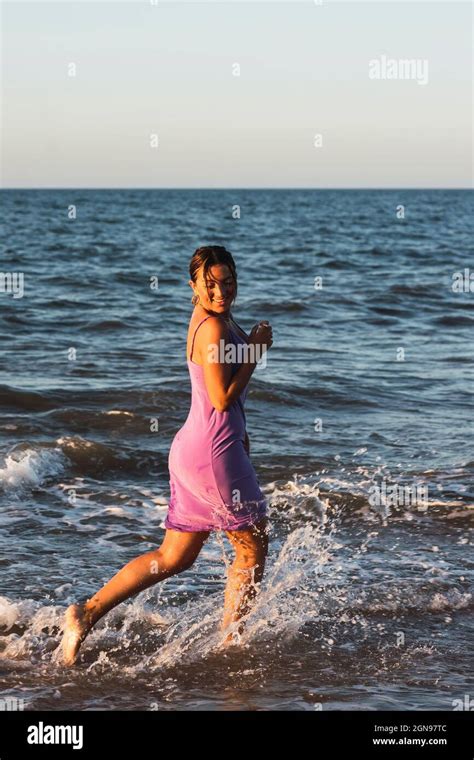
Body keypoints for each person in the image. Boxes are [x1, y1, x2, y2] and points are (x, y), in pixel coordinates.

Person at [61, 245, 273, 666]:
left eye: (227, 281)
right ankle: (232, 644)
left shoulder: (217, 320)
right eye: (210, 284)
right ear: (193, 285)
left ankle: (86, 614)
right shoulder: (212, 328)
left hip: (202, 449)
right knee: (251, 548)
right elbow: (221, 397)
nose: (220, 290)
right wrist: (255, 350)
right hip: (212, 453)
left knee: (174, 556)